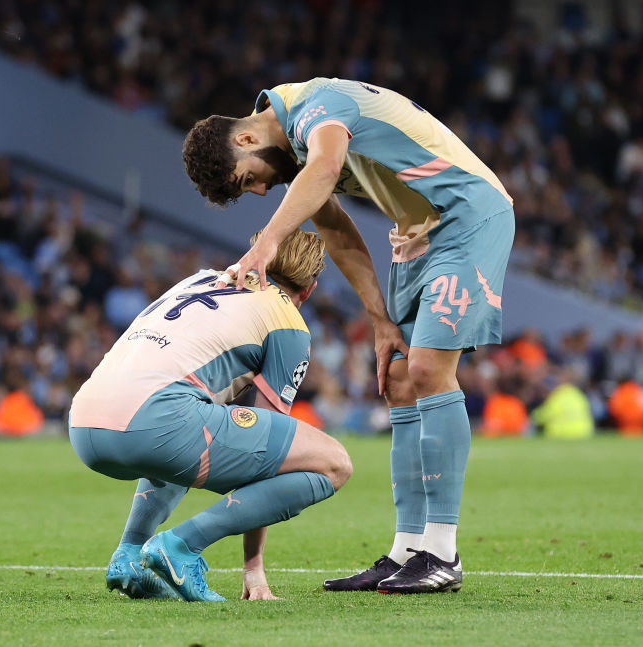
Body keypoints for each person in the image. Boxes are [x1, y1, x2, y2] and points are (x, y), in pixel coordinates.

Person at [183, 77, 514, 594]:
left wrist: (269, 242)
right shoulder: (300, 147)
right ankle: (408, 551)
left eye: (248, 180)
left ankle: (442, 553)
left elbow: (328, 167)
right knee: (399, 378)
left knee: (429, 369)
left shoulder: (321, 106)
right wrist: (380, 320)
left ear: (246, 140)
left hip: (467, 215)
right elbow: (335, 230)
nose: (262, 190)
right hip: (414, 233)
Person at [68, 229, 351, 602]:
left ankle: (129, 554)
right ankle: (181, 546)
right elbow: (269, 458)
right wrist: (254, 568)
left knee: (201, 415)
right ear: (310, 289)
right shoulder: (288, 323)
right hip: (151, 423)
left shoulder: (201, 278)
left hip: (83, 420)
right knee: (334, 464)